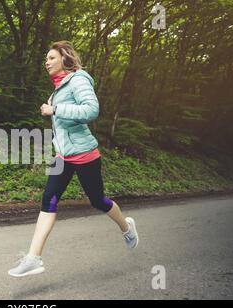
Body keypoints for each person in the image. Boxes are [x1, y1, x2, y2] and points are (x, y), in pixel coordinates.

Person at [8, 40, 139, 278]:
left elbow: (91, 110)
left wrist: (55, 110)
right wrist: (53, 109)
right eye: (46, 59)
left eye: (51, 58)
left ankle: (126, 227)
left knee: (98, 201)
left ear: (64, 59)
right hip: (63, 156)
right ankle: (33, 258)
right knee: (48, 200)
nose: (46, 62)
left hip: (84, 155)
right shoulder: (59, 87)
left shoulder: (79, 79)